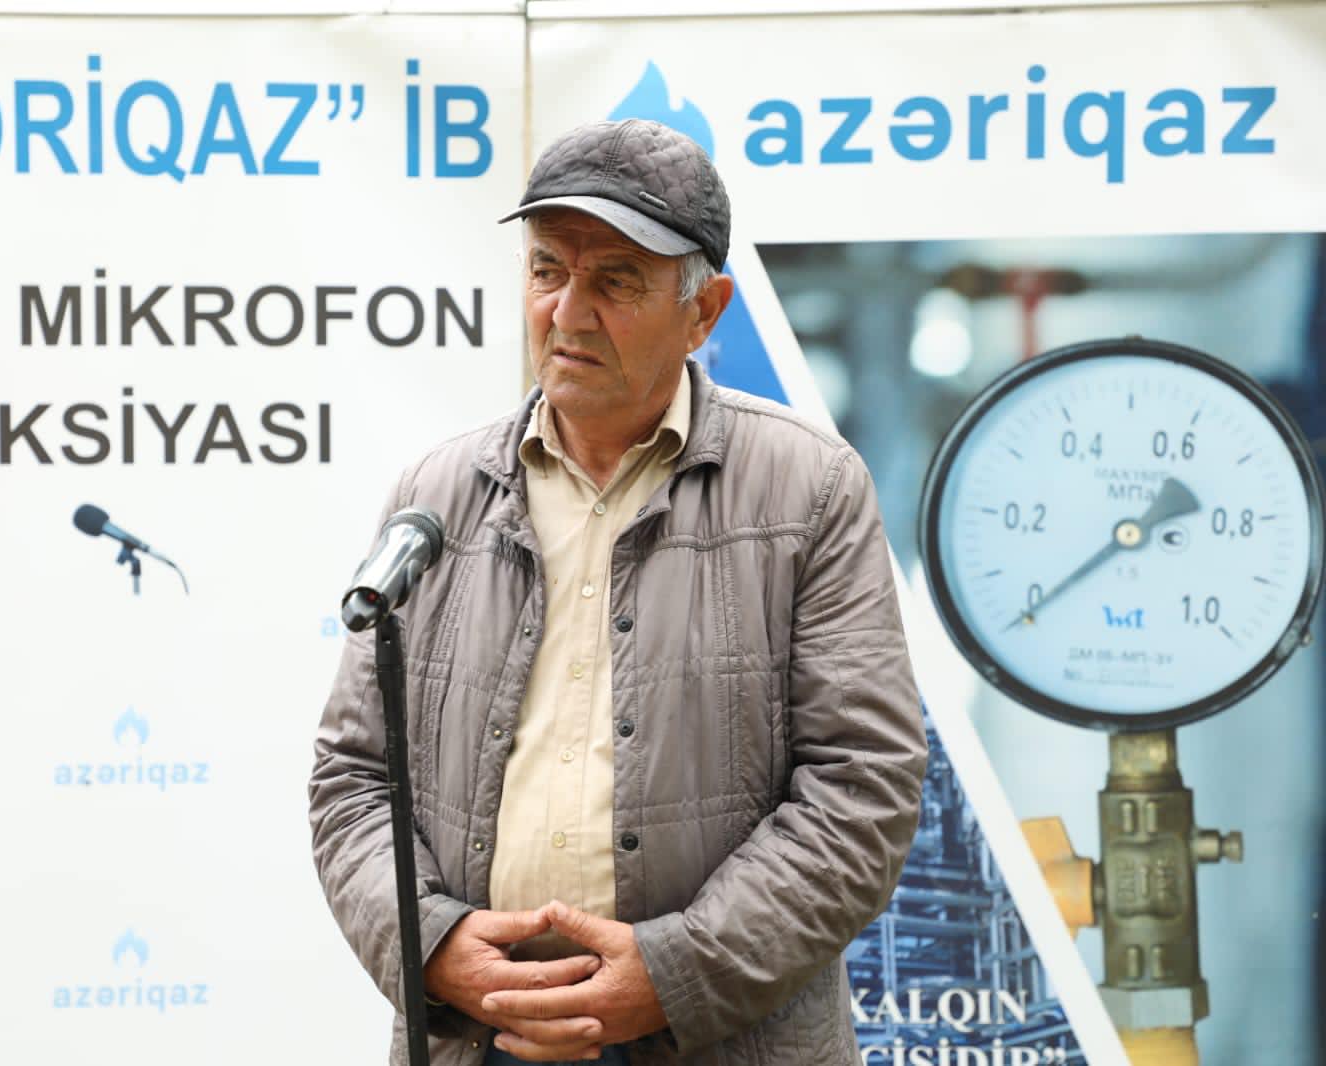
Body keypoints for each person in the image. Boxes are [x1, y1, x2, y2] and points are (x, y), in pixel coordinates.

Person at [309, 118, 926, 1066]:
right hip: (479, 1039)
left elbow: (862, 789)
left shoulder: (810, 490)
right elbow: (354, 779)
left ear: (704, 312)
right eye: (547, 270)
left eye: (616, 281)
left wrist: (673, 976)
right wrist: (432, 947)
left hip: (720, 1040)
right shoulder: (435, 494)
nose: (569, 312)